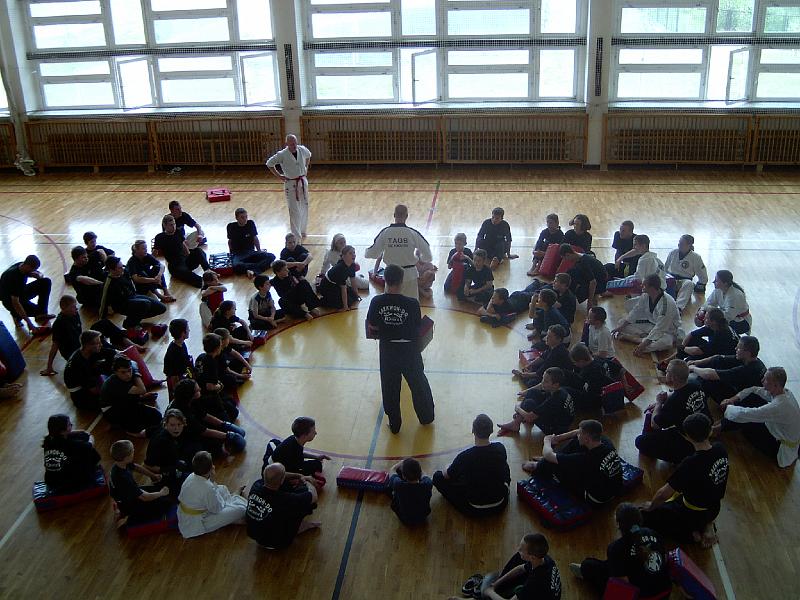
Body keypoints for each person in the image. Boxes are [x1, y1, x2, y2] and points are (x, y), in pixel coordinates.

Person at [642, 413, 729, 548]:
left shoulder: (691, 463)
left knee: (646, 517)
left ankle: (692, 534)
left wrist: (651, 506)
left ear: (687, 437)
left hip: (692, 513)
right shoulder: (720, 449)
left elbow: (663, 494)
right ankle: (707, 524)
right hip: (714, 508)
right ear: (710, 430)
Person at [366, 264, 435, 434]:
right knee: (418, 383)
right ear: (402, 281)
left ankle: (395, 424)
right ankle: (426, 417)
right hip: (409, 349)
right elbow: (417, 326)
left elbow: (372, 325)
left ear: (385, 280)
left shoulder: (376, 302)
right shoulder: (412, 303)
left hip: (388, 349)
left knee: (390, 387)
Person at [571, 502, 671, 599]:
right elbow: (665, 558)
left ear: (619, 524)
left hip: (642, 596)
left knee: (590, 565)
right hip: (665, 591)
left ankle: (584, 569)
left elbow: (622, 584)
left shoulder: (615, 548)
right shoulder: (653, 533)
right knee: (612, 564)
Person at [524, 420, 623, 506]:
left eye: (580, 434)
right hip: (612, 488)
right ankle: (555, 458)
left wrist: (547, 440)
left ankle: (538, 466)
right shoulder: (605, 442)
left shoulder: (585, 459)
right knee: (576, 442)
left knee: (554, 464)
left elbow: (548, 454)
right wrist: (558, 438)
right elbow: (576, 432)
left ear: (587, 439)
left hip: (596, 498)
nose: (578, 434)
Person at [718, 367, 800, 468]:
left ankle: (718, 428)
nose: (762, 381)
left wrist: (727, 408)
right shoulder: (785, 392)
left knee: (747, 422)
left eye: (766, 379)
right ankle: (721, 425)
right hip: (783, 435)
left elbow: (747, 414)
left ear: (775, 385)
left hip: (781, 450)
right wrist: (733, 399)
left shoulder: (778, 406)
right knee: (753, 398)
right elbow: (754, 389)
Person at [433, 414, 510, 516]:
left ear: (473, 430)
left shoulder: (465, 456)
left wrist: (448, 467)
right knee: (504, 465)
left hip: (474, 508)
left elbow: (446, 476)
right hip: (500, 503)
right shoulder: (500, 448)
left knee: (437, 477)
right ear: (491, 431)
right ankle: (505, 486)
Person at [41, 294, 135, 377]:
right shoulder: (59, 324)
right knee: (109, 351)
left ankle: (127, 343)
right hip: (77, 351)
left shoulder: (74, 315)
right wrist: (49, 367)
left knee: (103, 323)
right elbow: (55, 345)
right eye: (73, 307)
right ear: (63, 308)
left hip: (83, 343)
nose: (76, 309)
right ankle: (116, 354)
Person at [636, 360, 708, 464]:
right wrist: (665, 399)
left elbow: (655, 425)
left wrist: (659, 403)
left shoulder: (674, 402)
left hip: (687, 442)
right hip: (704, 433)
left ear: (673, 377)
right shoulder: (696, 384)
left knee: (640, 441)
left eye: (667, 371)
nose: (666, 372)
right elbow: (680, 393)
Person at [458, 533, 562, 600]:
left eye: (521, 549)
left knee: (495, 594)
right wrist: (496, 584)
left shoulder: (535, 582)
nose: (518, 549)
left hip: (538, 593)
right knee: (518, 558)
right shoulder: (544, 559)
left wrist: (489, 592)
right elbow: (520, 569)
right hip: (542, 591)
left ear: (532, 557)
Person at [365, 204, 432, 301]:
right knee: (411, 305)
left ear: (394, 215)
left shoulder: (385, 232)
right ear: (406, 216)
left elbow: (372, 253)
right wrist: (419, 259)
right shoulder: (413, 233)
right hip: (409, 275)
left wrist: (366, 252)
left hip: (391, 276)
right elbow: (428, 255)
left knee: (391, 306)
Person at [246, 463, 320, 549]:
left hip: (256, 537)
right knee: (307, 500)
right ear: (282, 480)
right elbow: (314, 497)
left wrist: (299, 476)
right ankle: (300, 527)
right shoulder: (287, 500)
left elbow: (280, 476)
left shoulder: (256, 486)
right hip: (280, 542)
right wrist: (308, 481)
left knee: (278, 510)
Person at [177, 450, 248, 539]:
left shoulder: (191, 476)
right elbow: (217, 509)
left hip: (189, 513)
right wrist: (213, 481)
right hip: (199, 522)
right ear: (211, 468)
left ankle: (232, 507)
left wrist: (212, 483)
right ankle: (234, 505)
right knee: (241, 509)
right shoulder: (207, 488)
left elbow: (209, 492)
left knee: (223, 489)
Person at [167, 379, 246, 457]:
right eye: (197, 390)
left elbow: (204, 415)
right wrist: (228, 435)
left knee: (231, 431)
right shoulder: (183, 412)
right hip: (183, 438)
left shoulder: (192, 400)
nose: (200, 389)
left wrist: (224, 424)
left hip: (193, 427)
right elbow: (203, 431)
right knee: (208, 446)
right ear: (190, 395)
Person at [612, 274, 681, 356]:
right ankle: (643, 337)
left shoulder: (666, 304)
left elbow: (660, 328)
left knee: (666, 343)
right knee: (621, 322)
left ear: (652, 288)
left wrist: (643, 345)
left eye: (644, 285)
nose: (641, 286)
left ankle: (635, 339)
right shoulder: (646, 295)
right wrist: (621, 327)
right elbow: (636, 311)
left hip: (667, 331)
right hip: (651, 325)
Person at [109, 439, 172, 526]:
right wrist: (161, 493)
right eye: (132, 451)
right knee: (165, 504)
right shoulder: (122, 478)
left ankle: (120, 509)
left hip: (128, 495)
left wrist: (153, 475)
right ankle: (127, 517)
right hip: (129, 503)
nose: (134, 451)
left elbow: (136, 467)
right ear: (126, 458)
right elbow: (144, 497)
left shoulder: (120, 464)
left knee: (158, 491)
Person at [688, 335, 766, 403]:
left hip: (747, 401)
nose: (735, 348)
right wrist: (697, 362)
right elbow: (718, 358)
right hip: (744, 390)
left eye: (739, 348)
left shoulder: (748, 370)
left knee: (707, 382)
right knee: (718, 362)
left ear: (747, 353)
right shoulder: (751, 359)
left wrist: (693, 368)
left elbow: (708, 375)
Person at [99, 255, 167, 334]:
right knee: (145, 304)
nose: (122, 269)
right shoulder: (108, 283)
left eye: (122, 266)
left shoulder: (124, 272)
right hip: (121, 304)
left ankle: (133, 318)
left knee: (161, 308)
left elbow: (132, 285)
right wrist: (101, 321)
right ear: (112, 270)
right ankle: (130, 323)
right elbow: (103, 302)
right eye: (119, 268)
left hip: (133, 296)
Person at [498, 367, 575, 436]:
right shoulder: (560, 390)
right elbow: (540, 391)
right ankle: (516, 423)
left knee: (529, 404)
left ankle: (515, 423)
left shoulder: (555, 400)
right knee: (533, 392)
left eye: (546, 381)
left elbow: (529, 417)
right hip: (559, 419)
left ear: (555, 384)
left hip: (555, 430)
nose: (542, 382)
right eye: (543, 379)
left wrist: (518, 408)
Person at [266, 134, 313, 240]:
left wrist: (306, 167)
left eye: (295, 143)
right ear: (286, 144)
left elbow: (309, 155)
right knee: (294, 210)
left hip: (302, 181)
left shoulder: (302, 149)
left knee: (304, 207)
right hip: (291, 183)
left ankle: (303, 230)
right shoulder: (282, 154)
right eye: (291, 144)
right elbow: (269, 164)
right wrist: (279, 176)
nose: (294, 145)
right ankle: (296, 235)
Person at [42, 413, 101, 493]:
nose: (71, 425)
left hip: (51, 481)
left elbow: (70, 433)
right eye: (69, 425)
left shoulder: (47, 440)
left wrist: (76, 432)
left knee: (78, 441)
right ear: (62, 431)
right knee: (88, 451)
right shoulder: (72, 444)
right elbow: (90, 444)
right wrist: (89, 435)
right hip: (68, 483)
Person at [145, 408, 195, 496]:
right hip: (165, 474)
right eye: (172, 425)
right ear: (166, 424)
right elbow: (147, 465)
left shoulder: (174, 434)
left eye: (179, 424)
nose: (176, 428)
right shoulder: (161, 441)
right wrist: (169, 470)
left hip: (174, 463)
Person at [153, 214, 209, 289]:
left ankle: (209, 272)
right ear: (165, 226)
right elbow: (155, 252)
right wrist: (151, 263)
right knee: (184, 273)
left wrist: (189, 254)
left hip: (185, 261)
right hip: (175, 265)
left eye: (174, 224)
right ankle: (204, 282)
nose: (173, 227)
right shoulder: (160, 237)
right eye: (171, 225)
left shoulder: (178, 232)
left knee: (198, 251)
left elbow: (183, 245)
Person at [0, 254, 54, 330]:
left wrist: (38, 275)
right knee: (34, 311)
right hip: (10, 301)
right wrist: (29, 323)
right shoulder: (13, 277)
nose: (33, 271)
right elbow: (15, 302)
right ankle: (16, 315)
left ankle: (41, 314)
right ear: (28, 266)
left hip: (21, 292)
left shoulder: (21, 266)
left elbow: (40, 274)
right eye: (33, 269)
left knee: (46, 282)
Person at [270, 416, 331, 481]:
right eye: (313, 431)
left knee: (316, 464)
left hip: (280, 462)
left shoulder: (295, 439)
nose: (316, 433)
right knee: (317, 465)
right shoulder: (294, 453)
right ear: (304, 436)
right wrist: (300, 476)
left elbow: (300, 453)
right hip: (278, 471)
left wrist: (317, 457)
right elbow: (284, 472)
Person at [63, 330, 107, 411]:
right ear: (88, 345)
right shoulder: (79, 364)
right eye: (98, 343)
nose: (101, 345)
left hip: (86, 388)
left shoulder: (84, 352)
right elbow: (94, 390)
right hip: (82, 399)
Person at [699, 269, 751, 334]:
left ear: (725, 283)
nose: (713, 282)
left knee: (714, 324)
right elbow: (708, 303)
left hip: (740, 322)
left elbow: (729, 316)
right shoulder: (718, 290)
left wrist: (710, 310)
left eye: (716, 280)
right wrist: (702, 310)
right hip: (725, 317)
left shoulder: (736, 295)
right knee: (708, 318)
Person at [226, 207, 275, 276]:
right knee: (236, 266)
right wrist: (231, 254)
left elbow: (255, 238)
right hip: (238, 254)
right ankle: (258, 268)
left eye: (246, 217)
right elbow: (230, 242)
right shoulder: (231, 226)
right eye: (242, 217)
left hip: (251, 252)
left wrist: (259, 250)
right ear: (236, 218)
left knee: (271, 256)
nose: (245, 219)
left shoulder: (250, 223)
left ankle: (251, 269)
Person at [664, 234, 708, 311]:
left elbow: (702, 274)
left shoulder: (696, 257)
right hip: (671, 279)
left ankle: (678, 308)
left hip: (684, 281)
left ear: (689, 245)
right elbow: (665, 268)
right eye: (679, 242)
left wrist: (701, 285)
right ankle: (664, 303)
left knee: (689, 284)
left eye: (681, 243)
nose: (679, 244)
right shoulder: (673, 253)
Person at [388, 457, 432, 526]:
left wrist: (402, 462)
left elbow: (392, 470)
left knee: (390, 485)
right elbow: (424, 475)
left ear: (404, 476)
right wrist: (415, 467)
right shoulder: (428, 483)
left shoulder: (398, 485)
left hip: (405, 519)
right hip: (422, 517)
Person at [318, 245, 361, 310]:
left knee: (353, 296)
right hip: (327, 287)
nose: (354, 255)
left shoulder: (352, 265)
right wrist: (345, 306)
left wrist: (356, 296)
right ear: (343, 256)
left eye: (354, 252)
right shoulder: (340, 269)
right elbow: (343, 289)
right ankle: (322, 300)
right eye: (350, 253)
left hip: (337, 285)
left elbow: (353, 281)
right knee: (344, 303)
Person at [163, 318, 193, 392]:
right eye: (187, 329)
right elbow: (174, 377)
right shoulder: (174, 353)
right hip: (179, 380)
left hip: (183, 374)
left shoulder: (181, 344)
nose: (189, 330)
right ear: (183, 333)